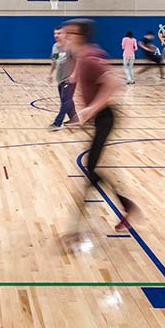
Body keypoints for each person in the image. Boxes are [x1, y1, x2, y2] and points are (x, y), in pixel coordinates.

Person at [63, 18, 139, 235]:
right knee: (93, 168)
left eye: (69, 34)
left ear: (80, 36)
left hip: (106, 117)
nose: (65, 37)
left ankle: (75, 229)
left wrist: (89, 111)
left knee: (91, 167)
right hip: (99, 118)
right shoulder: (82, 56)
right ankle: (127, 206)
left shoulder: (88, 56)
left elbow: (114, 82)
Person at [49, 25, 77, 130]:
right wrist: (50, 73)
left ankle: (57, 123)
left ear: (64, 34)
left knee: (66, 101)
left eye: (59, 33)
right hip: (60, 78)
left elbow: (78, 61)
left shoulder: (70, 46)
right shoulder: (55, 47)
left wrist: (74, 74)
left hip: (70, 79)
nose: (56, 35)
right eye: (55, 33)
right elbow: (54, 61)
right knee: (67, 100)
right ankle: (75, 119)